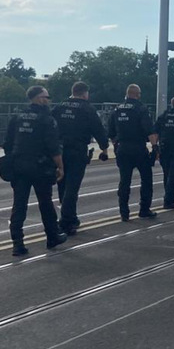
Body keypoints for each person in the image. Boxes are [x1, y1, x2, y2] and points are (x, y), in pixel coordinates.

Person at [4, 86, 65, 255]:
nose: (48, 100)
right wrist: (60, 166)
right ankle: (52, 237)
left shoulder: (16, 117)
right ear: (39, 98)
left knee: (19, 205)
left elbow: (7, 143)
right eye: (47, 97)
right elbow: (53, 147)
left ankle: (17, 243)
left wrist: (13, 159)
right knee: (45, 202)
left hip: (19, 166)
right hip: (41, 166)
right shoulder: (47, 119)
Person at [51, 81, 109, 236]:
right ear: (85, 93)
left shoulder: (59, 107)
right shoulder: (87, 109)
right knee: (72, 186)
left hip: (59, 151)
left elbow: (49, 127)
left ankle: (70, 216)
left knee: (62, 185)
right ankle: (67, 221)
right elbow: (98, 130)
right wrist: (104, 149)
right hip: (77, 151)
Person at [108, 84, 158, 222]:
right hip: (138, 148)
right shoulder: (141, 109)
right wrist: (155, 147)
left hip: (122, 148)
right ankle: (144, 209)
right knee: (146, 179)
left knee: (124, 181)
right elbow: (150, 130)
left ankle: (124, 212)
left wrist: (116, 144)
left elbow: (111, 132)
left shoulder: (116, 109)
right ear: (137, 94)